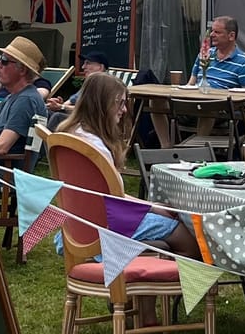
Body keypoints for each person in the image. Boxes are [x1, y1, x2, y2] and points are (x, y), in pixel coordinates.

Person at [56, 73, 198, 255]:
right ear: (103, 104)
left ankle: (145, 262)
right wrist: (152, 208)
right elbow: (114, 199)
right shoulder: (94, 148)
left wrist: (152, 207)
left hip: (75, 227)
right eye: (120, 103)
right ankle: (157, 270)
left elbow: (109, 193)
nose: (124, 110)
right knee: (188, 240)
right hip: (104, 228)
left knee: (162, 228)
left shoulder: (68, 135)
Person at [190, 15, 245, 88]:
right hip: (197, 94)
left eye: (217, 32)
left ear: (231, 36)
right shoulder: (205, 54)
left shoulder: (244, 62)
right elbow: (191, 83)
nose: (211, 35)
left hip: (223, 96)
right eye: (212, 31)